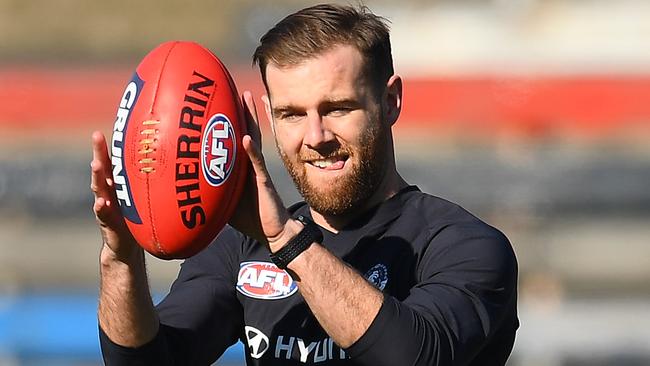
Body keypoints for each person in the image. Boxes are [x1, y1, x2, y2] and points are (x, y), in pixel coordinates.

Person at [92, 4, 519, 365]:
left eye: (337, 108)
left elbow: (414, 354)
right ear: (267, 116)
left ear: (389, 102)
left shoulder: (464, 245)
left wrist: (286, 243)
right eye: (292, 114)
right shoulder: (243, 246)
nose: (316, 137)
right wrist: (121, 259)